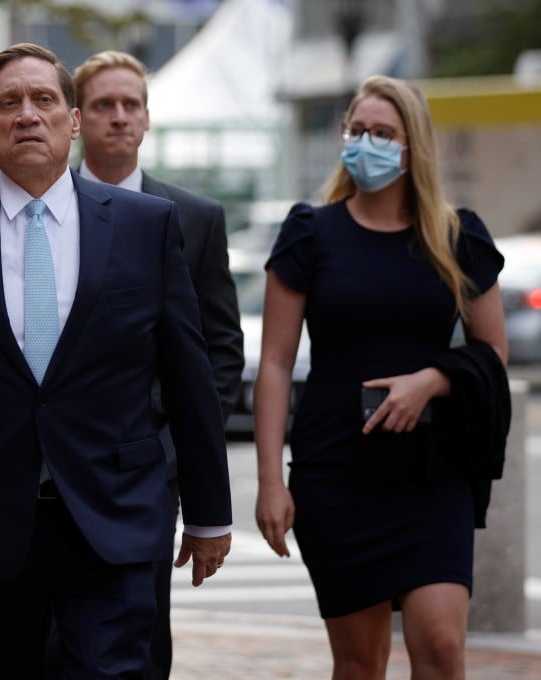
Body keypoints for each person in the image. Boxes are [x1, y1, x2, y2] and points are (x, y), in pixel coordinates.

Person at [0, 43, 232, 678]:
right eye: (8, 103)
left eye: (44, 100)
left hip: (115, 515)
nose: (27, 115)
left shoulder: (146, 225)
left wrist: (211, 511)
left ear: (72, 121)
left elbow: (190, 377)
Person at [253, 75, 508, 679]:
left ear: (412, 146)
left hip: (431, 472)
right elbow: (275, 363)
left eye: (383, 133)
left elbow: (491, 350)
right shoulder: (310, 233)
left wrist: (433, 380)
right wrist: (269, 481)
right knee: (361, 662)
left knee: (442, 647)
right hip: (337, 472)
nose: (366, 143)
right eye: (357, 130)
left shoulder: (455, 235)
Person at [72, 49, 243, 679]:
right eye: (102, 105)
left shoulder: (194, 219)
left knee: (138, 629)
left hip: (149, 463)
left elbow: (220, 349)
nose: (118, 117)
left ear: (146, 118)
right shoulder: (43, 212)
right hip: (51, 458)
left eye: (130, 105)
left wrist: (177, 450)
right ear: (76, 119)